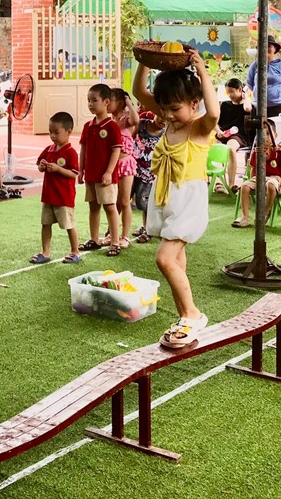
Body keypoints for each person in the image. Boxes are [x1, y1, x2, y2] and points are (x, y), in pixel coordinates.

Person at [131, 48, 218, 349]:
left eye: (175, 108)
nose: (167, 114)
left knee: (165, 258)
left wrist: (202, 70)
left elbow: (214, 112)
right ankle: (186, 317)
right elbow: (138, 91)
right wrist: (145, 62)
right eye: (164, 108)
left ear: (194, 103)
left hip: (187, 201)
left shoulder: (199, 127)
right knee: (177, 261)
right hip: (166, 197)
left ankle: (193, 314)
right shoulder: (171, 121)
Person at [78, 83, 122, 256]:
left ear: (106, 102)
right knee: (93, 207)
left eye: (94, 100)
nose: (90, 104)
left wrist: (109, 172)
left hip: (105, 177)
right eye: (88, 100)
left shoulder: (112, 126)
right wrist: (80, 170)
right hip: (91, 175)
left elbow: (116, 150)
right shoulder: (88, 126)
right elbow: (83, 149)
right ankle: (94, 240)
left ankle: (115, 242)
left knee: (110, 207)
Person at [32, 112, 80, 264]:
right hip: (48, 196)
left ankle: (75, 251)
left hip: (63, 197)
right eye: (50, 132)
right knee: (45, 224)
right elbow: (40, 165)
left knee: (69, 224)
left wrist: (58, 169)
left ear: (68, 132)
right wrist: (42, 166)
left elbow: (74, 174)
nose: (52, 136)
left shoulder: (71, 153)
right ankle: (46, 252)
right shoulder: (49, 149)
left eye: (56, 132)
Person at [233, 118, 281, 229]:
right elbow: (253, 169)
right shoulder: (257, 151)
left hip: (275, 178)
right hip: (259, 177)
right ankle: (245, 217)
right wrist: (252, 180)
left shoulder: (279, 152)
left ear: (275, 136)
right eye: (262, 134)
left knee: (271, 185)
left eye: (268, 134)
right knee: (244, 186)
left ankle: (264, 214)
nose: (265, 137)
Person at [109, 87, 139, 248]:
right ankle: (112, 233)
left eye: (111, 100)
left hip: (126, 164)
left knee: (124, 201)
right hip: (112, 165)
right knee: (113, 202)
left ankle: (125, 236)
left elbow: (136, 120)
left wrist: (128, 102)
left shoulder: (126, 118)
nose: (107, 103)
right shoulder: (110, 120)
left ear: (120, 102)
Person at [132, 112, 165, 243]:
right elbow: (130, 137)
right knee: (125, 200)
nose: (164, 120)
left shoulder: (166, 133)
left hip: (150, 174)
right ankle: (113, 231)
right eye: (161, 116)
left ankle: (147, 229)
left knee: (146, 203)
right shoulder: (141, 124)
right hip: (133, 170)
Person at [216, 78, 254, 192]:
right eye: (228, 92)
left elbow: (248, 108)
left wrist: (246, 97)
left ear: (240, 90)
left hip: (238, 135)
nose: (230, 95)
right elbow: (216, 122)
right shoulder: (224, 105)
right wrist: (219, 131)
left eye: (232, 92)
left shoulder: (246, 105)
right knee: (214, 149)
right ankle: (219, 181)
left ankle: (231, 184)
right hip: (223, 133)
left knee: (230, 149)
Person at [246, 36, 281, 118]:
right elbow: (249, 83)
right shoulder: (255, 64)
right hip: (257, 105)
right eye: (263, 46)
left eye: (269, 46)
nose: (266, 48)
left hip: (276, 105)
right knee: (257, 125)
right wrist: (258, 92)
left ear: (275, 49)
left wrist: (277, 93)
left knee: (274, 126)